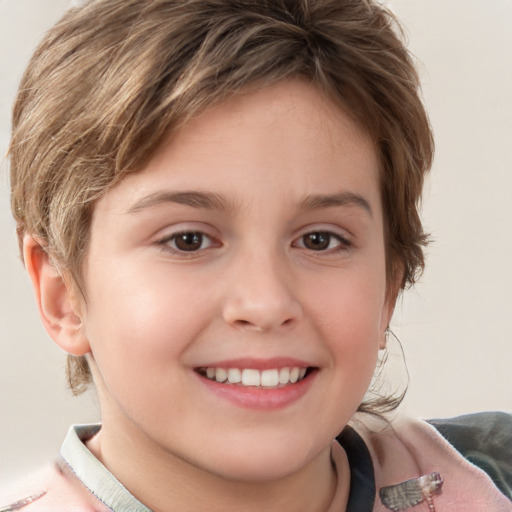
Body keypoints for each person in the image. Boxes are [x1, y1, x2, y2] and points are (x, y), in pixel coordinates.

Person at [2, 0, 511, 510]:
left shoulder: (492, 478)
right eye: (188, 240)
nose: (266, 303)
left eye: (320, 240)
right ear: (63, 294)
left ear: (389, 286)